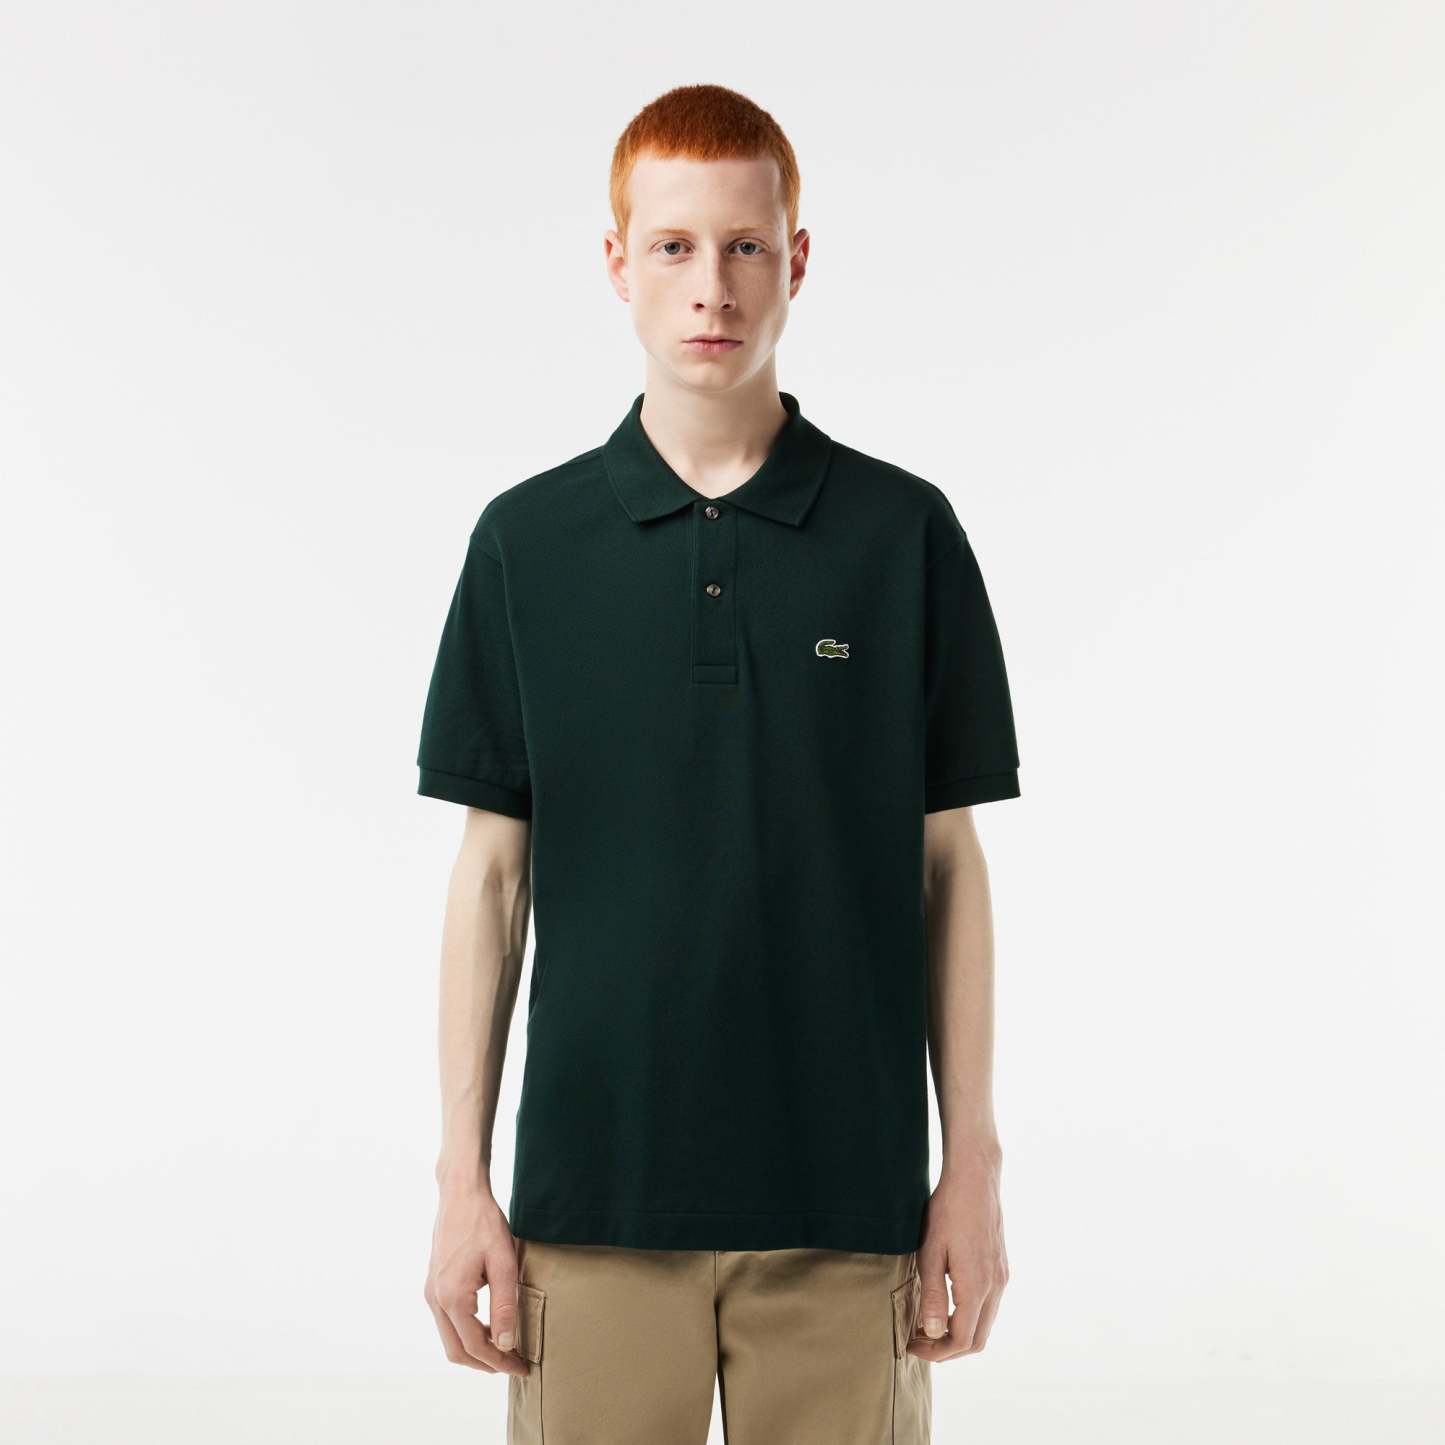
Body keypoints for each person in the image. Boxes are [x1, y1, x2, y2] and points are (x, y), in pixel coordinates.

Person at [416, 82, 1021, 1445]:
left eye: (746, 245)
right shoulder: (526, 545)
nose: (712, 285)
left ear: (796, 258)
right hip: (589, 1213)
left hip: (846, 1213)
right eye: (675, 245)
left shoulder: (902, 535)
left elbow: (949, 869)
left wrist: (971, 1168)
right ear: (616, 262)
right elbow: (492, 880)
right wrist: (462, 1181)